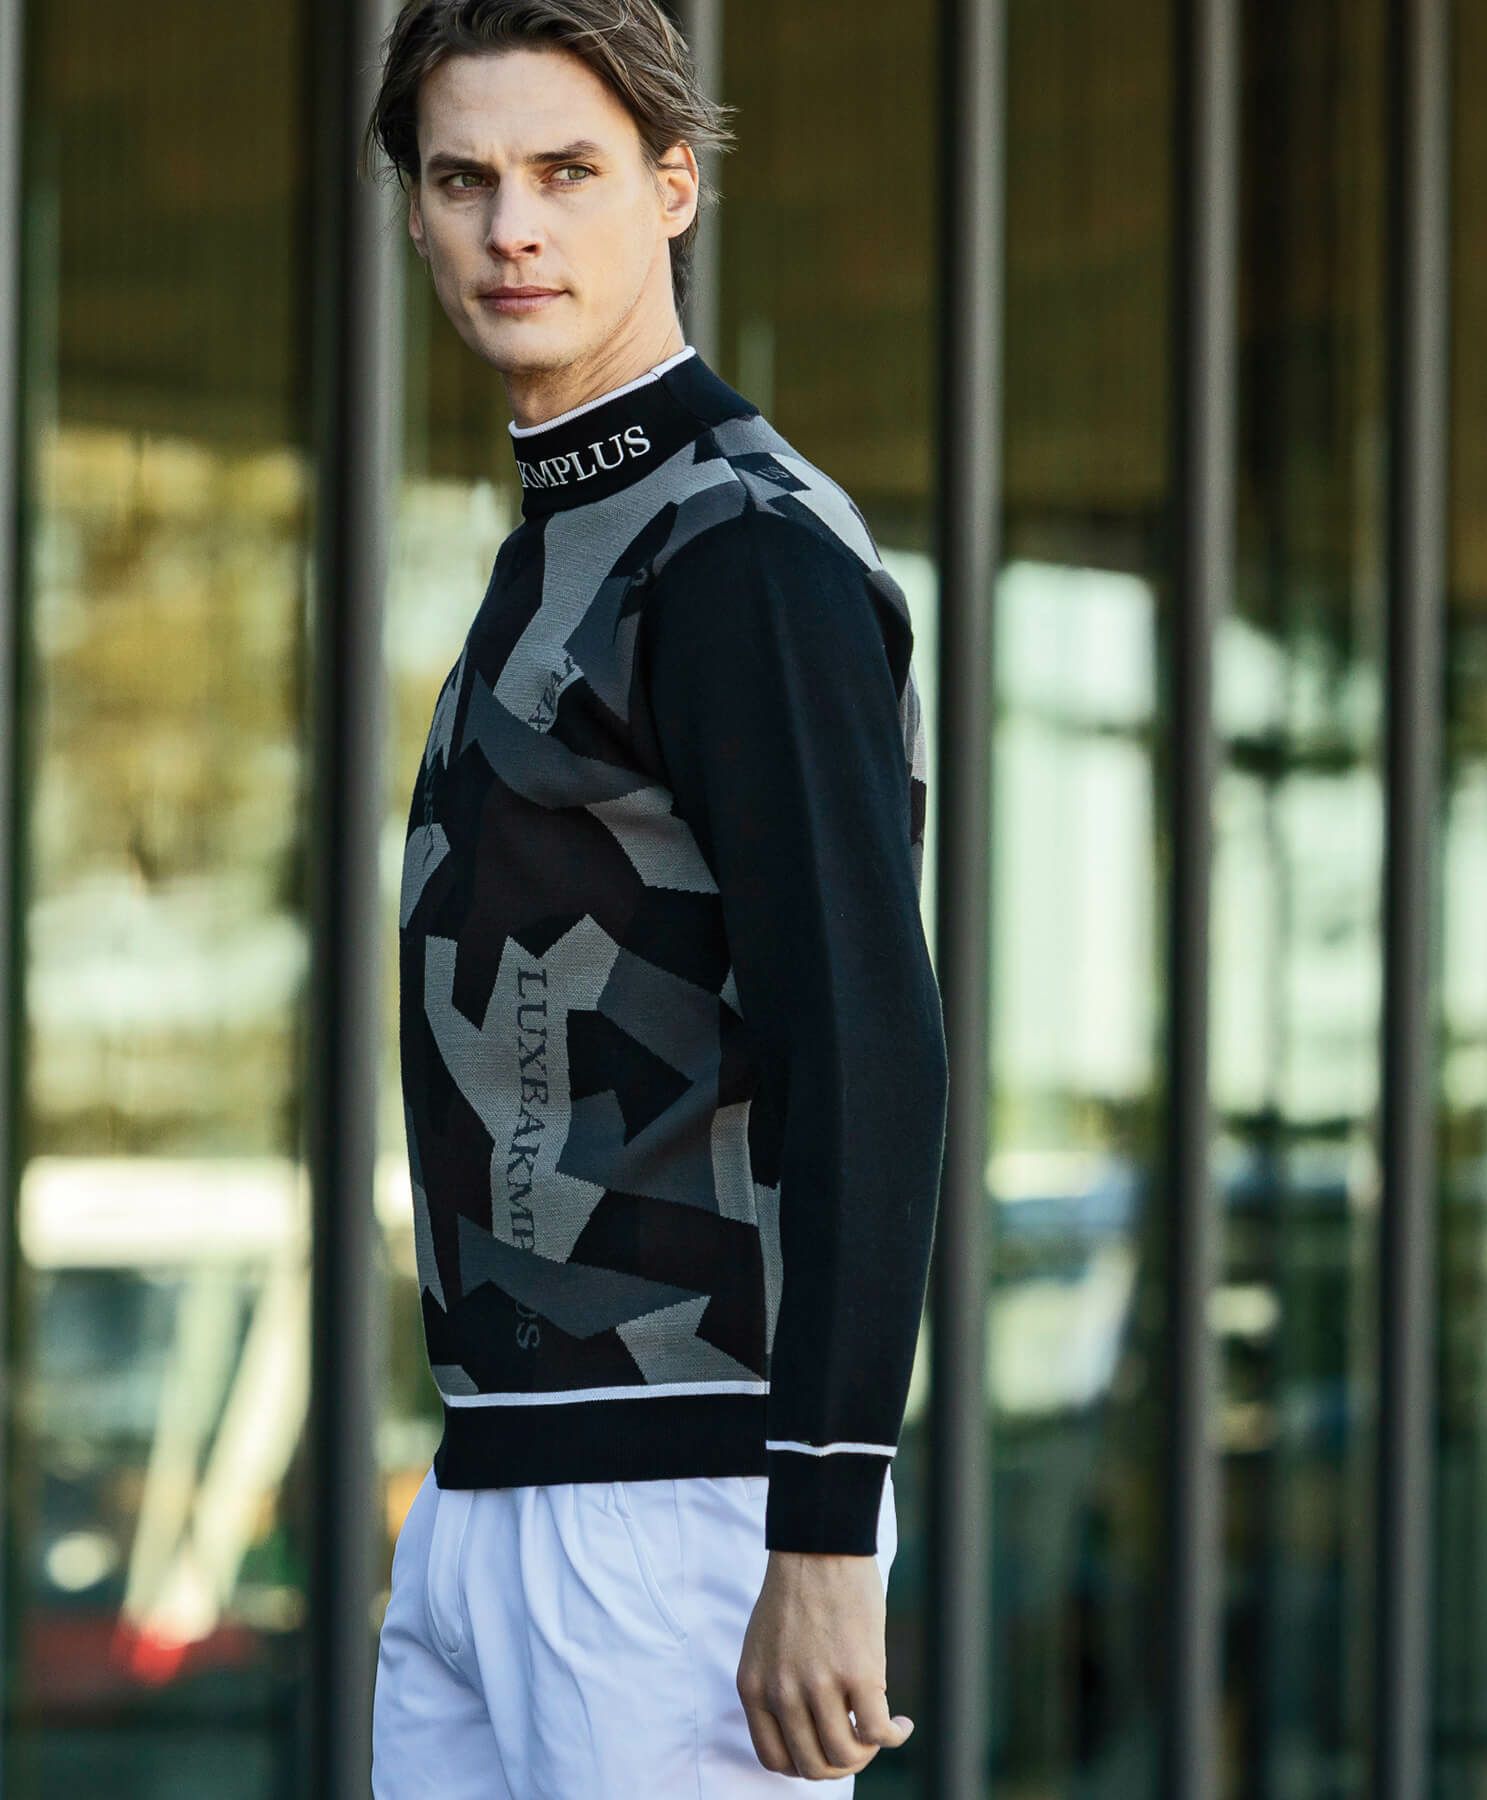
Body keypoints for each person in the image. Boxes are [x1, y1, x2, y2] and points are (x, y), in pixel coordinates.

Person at [360, 2, 949, 1791]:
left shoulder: (739, 549)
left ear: (673, 189)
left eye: (568, 173)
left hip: (681, 1510)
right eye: (463, 180)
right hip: (493, 1483)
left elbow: (867, 1042)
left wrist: (824, 1522)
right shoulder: (567, 539)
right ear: (414, 213)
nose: (511, 228)